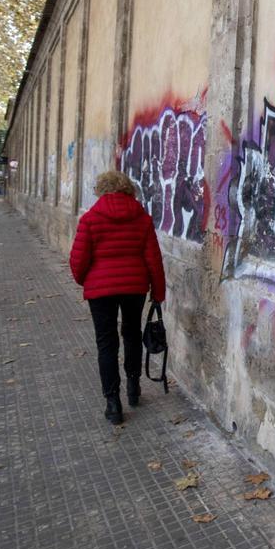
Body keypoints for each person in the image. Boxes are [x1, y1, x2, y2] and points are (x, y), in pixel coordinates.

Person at [69, 170, 166, 424]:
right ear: (127, 190)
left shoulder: (90, 219)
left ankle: (113, 404)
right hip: (134, 287)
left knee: (106, 342)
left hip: (100, 292)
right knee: (132, 334)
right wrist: (158, 292)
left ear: (101, 190)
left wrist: (87, 281)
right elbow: (154, 260)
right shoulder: (142, 219)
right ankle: (133, 388)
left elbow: (78, 262)